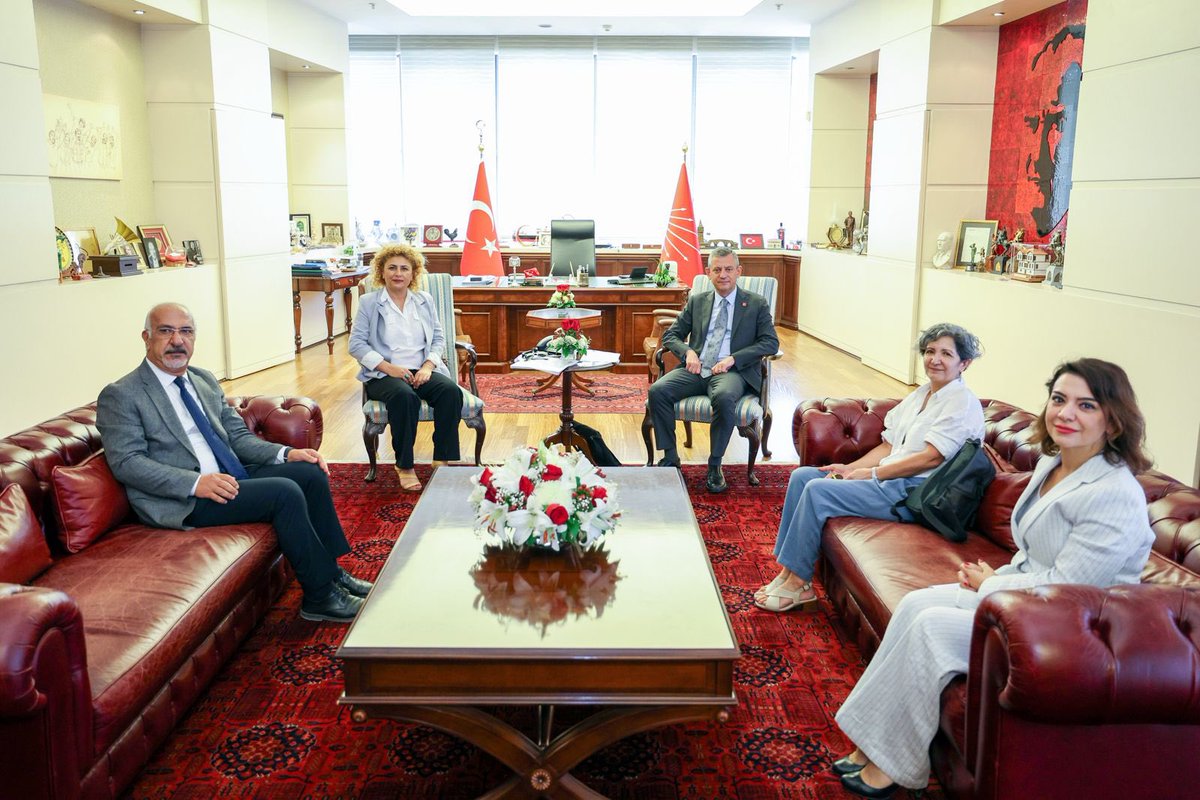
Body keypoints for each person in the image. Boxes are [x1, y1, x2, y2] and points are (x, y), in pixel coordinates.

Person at [831, 358, 1154, 798]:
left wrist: (990, 584)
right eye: (1059, 399)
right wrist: (998, 579)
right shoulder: (1054, 462)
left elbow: (1069, 592)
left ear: (1113, 420)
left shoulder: (1114, 495)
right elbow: (1035, 558)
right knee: (914, 605)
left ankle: (895, 764)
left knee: (930, 627)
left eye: (1086, 405)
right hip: (1024, 597)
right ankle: (873, 742)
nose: (1066, 413)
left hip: (1073, 629)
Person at [97, 303, 372, 623]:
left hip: (228, 476)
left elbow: (237, 436)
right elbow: (128, 463)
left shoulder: (202, 379)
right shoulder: (122, 394)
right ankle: (320, 597)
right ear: (146, 338)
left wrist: (285, 453)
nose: (177, 340)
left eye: (186, 331)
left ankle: (332, 574)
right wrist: (196, 483)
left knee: (308, 472)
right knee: (283, 493)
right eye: (166, 331)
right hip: (185, 498)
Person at [755, 323, 985, 612]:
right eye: (930, 351)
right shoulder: (922, 394)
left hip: (915, 493)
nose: (934, 359)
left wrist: (873, 474)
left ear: (964, 363)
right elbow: (888, 446)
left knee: (818, 491)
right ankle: (787, 571)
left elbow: (931, 458)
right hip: (889, 480)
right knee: (803, 476)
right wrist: (849, 469)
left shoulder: (960, 403)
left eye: (946, 354)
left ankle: (799, 584)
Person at [648, 246, 779, 493]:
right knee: (658, 391)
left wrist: (733, 359)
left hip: (732, 372)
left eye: (729, 269)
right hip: (697, 368)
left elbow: (770, 342)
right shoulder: (697, 301)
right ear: (708, 273)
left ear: (739, 271)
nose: (723, 275)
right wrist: (688, 352)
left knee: (724, 396)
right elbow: (671, 335)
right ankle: (670, 458)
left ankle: (715, 464)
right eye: (717, 270)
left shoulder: (755, 304)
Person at [350, 243, 462, 492]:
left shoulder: (424, 300)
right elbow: (356, 344)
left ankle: (442, 459)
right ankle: (405, 465)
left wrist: (428, 366)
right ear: (382, 272)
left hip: (421, 369)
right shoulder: (369, 303)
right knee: (404, 397)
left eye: (404, 268)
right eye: (392, 268)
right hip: (383, 374)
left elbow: (438, 338)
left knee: (450, 392)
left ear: (413, 273)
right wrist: (389, 368)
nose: (398, 273)